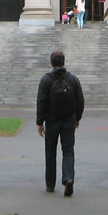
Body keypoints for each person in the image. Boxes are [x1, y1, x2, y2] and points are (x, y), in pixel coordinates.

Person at [37, 50, 85, 196]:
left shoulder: (46, 80)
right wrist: (77, 118)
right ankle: (68, 178)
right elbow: (80, 100)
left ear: (51, 63)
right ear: (63, 62)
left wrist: (40, 122)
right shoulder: (73, 79)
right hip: (69, 120)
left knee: (50, 152)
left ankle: (50, 184)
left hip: (52, 120)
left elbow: (41, 102)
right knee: (68, 151)